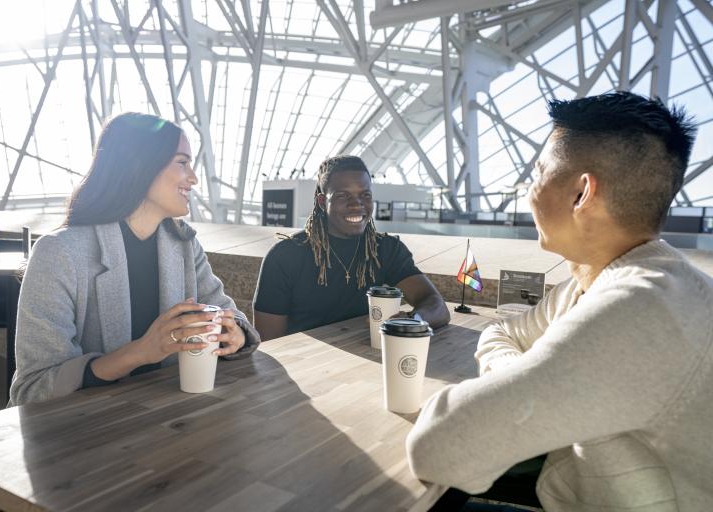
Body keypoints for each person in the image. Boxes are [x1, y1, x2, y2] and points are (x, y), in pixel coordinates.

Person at [407, 91, 713, 511]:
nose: (529, 192)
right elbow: (503, 331)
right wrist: (524, 376)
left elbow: (437, 444)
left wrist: (521, 388)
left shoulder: (638, 310)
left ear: (580, 194)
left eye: (538, 174)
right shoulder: (595, 282)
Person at [9, 112, 260, 406]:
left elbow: (233, 317)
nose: (193, 178)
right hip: (82, 432)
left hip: (163, 419)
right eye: (182, 162)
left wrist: (236, 336)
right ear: (140, 167)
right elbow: (34, 387)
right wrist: (141, 352)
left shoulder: (184, 245)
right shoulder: (58, 253)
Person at [253, 155, 450, 341]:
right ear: (322, 202)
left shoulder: (386, 250)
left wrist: (412, 321)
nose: (356, 205)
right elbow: (269, 344)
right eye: (342, 196)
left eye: (365, 195)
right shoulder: (285, 256)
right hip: (302, 368)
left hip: (368, 366)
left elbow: (437, 306)